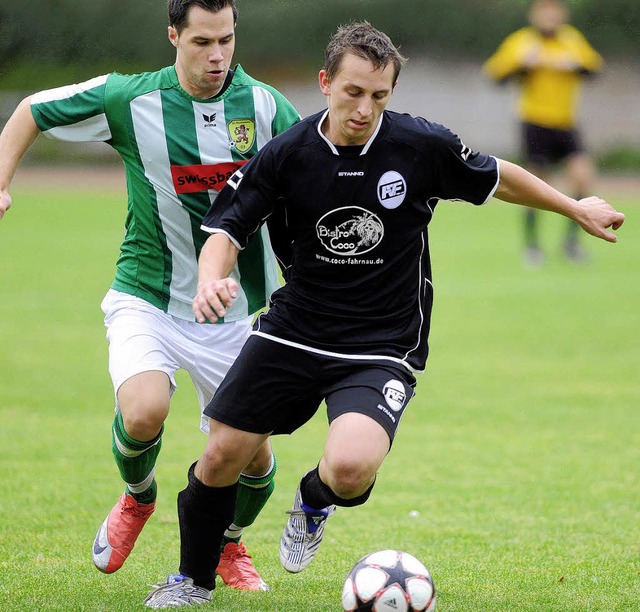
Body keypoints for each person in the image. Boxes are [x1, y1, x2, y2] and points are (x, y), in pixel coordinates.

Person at [143, 21, 624, 608]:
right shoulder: (288, 154)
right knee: (221, 455)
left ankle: (314, 498)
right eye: (352, 92)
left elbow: (499, 177)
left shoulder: (418, 147)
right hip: (295, 330)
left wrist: (574, 207)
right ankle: (191, 581)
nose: (364, 108)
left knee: (349, 469)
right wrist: (213, 277)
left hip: (382, 342)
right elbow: (226, 226)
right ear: (325, 83)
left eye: (379, 96)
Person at [0, 0, 300, 591]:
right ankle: (138, 498)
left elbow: (312, 171)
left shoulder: (267, 106)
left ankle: (227, 546)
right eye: (201, 43)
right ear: (173, 37)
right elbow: (31, 109)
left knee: (252, 458)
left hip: (239, 312)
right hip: (149, 297)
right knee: (143, 412)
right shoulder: (128, 98)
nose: (218, 57)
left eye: (227, 40)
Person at [483, 0, 603, 266]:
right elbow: (495, 75)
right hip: (535, 122)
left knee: (583, 178)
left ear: (562, 14)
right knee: (536, 185)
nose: (550, 17)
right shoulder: (522, 42)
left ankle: (571, 243)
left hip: (566, 122)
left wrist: (572, 63)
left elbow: (594, 69)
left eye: (554, 11)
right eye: (544, 12)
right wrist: (524, 64)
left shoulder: (571, 40)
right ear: (535, 15)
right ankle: (533, 247)